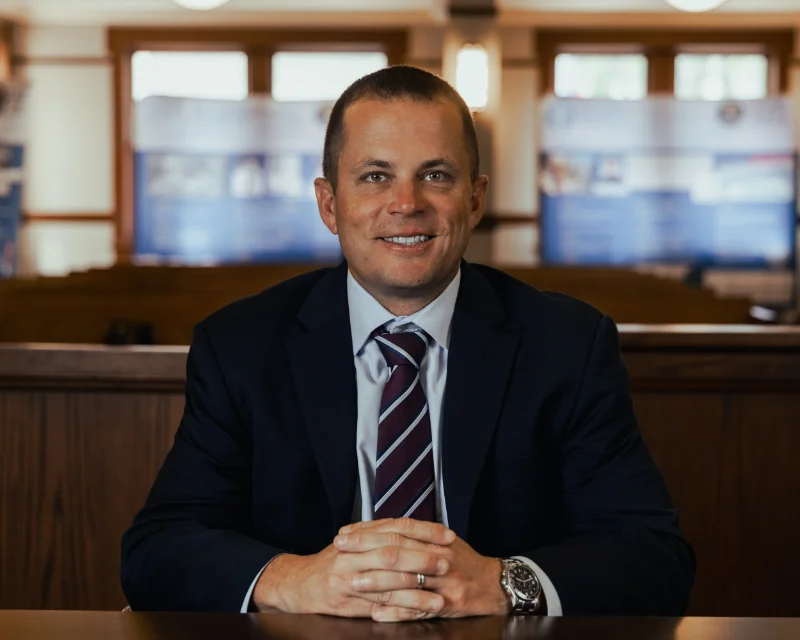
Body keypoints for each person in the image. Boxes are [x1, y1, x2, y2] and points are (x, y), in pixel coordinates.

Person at [121, 66, 694, 621]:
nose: (406, 203)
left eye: (436, 175)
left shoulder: (567, 344)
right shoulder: (240, 346)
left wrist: (502, 583)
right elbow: (159, 549)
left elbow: (652, 556)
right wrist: (293, 581)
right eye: (375, 176)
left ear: (475, 200)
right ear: (328, 204)